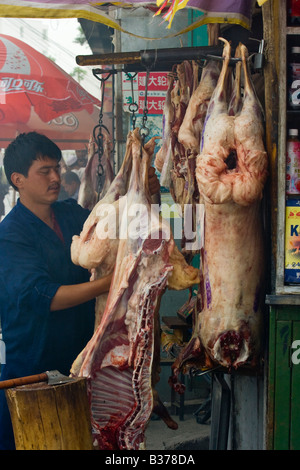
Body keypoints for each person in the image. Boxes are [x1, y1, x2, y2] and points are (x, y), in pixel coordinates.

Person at [0, 131, 160, 450]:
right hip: (34, 369)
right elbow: (45, 297)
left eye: (57, 168)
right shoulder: (10, 235)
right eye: (44, 171)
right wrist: (112, 283)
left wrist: (145, 194)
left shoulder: (72, 214)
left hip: (83, 361)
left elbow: (119, 233)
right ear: (18, 179)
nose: (55, 177)